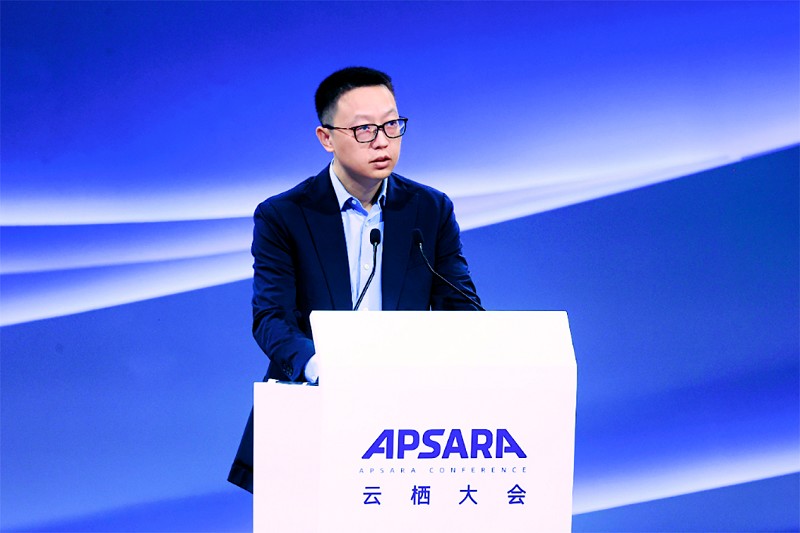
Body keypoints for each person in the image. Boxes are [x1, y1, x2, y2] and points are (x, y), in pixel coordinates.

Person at [228, 66, 481, 493]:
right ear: (326, 137)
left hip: (409, 422)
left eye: (392, 125)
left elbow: (462, 307)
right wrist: (322, 368)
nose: (382, 141)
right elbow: (271, 318)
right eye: (364, 129)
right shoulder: (283, 216)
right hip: (312, 408)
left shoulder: (430, 209)